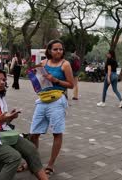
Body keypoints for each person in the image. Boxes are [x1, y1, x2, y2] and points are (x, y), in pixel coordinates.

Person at [30, 40, 74, 176]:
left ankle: (50, 164)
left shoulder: (65, 65)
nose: (58, 52)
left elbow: (71, 84)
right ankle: (32, 162)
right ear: (49, 51)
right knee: (33, 133)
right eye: (55, 49)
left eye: (60, 49)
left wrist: (56, 80)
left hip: (57, 100)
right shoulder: (43, 64)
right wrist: (36, 77)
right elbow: (40, 80)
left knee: (57, 132)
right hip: (43, 99)